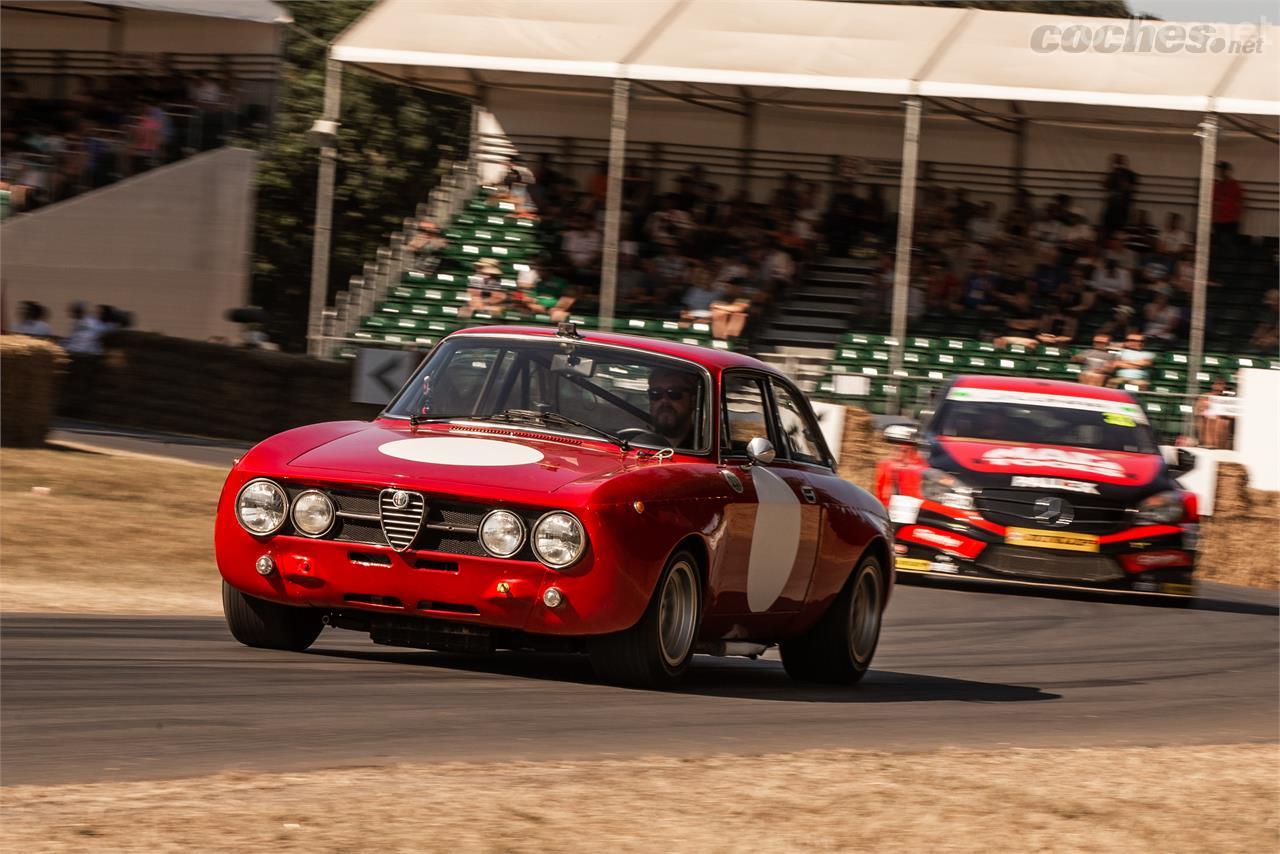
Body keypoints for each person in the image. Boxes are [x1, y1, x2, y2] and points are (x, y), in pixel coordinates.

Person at [646, 366, 700, 449]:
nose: (664, 400)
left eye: (674, 393)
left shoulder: (703, 448)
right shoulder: (634, 442)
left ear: (693, 401)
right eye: (655, 393)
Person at [1101, 153, 1139, 239]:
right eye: (1117, 160)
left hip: (1122, 210)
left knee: (1120, 235)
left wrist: (1121, 175)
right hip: (1110, 209)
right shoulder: (1112, 173)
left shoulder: (1130, 175)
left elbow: (1131, 188)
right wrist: (1111, 167)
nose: (1118, 163)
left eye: (1120, 161)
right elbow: (1105, 184)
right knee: (1107, 234)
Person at [1194, 377, 1235, 450]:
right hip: (1206, 440)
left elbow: (1233, 416)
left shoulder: (1227, 400)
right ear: (1212, 385)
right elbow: (1198, 412)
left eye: (1222, 385)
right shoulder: (1204, 397)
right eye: (1218, 384)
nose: (1220, 387)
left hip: (1222, 441)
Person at [1212, 161, 1244, 248]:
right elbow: (1213, 202)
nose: (1219, 172)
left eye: (1221, 170)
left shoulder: (1235, 185)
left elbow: (1240, 202)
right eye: (1219, 170)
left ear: (1227, 171)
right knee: (1218, 245)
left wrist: (1236, 215)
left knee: (1231, 245)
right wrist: (1214, 218)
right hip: (1219, 221)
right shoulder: (1217, 186)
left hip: (1231, 221)